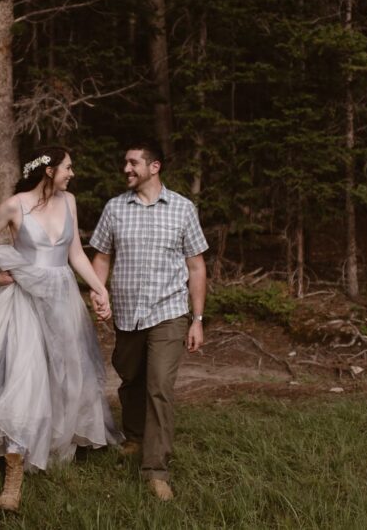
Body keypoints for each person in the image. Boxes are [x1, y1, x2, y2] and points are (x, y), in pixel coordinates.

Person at [0, 146, 120, 513]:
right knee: (24, 376)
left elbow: (75, 253)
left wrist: (98, 287)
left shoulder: (70, 202)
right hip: (23, 300)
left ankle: (53, 444)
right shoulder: (15, 205)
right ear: (48, 171)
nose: (71, 173)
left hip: (61, 298)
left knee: (63, 373)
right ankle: (13, 473)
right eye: (67, 167)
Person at [89, 139, 208, 502]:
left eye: (133, 163)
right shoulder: (114, 209)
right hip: (126, 313)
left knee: (159, 386)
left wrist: (197, 318)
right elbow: (102, 256)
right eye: (125, 162)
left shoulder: (183, 209)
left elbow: (196, 265)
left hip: (169, 312)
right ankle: (136, 436)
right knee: (131, 377)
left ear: (154, 167)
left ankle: (156, 469)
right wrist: (99, 292)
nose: (126, 168)